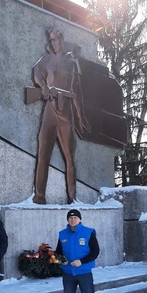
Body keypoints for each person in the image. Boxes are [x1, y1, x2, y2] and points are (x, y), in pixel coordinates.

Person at [32, 27, 90, 205]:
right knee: (43, 155)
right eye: (50, 40)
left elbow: (77, 92)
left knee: (69, 158)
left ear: (62, 40)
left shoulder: (71, 62)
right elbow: (35, 72)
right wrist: (43, 87)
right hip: (50, 111)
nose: (52, 42)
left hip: (65, 114)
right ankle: (39, 196)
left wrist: (80, 117)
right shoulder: (47, 59)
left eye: (55, 39)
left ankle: (72, 198)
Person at [55, 209, 100, 293]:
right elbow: (58, 252)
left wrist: (82, 261)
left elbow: (95, 252)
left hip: (84, 272)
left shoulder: (88, 232)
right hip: (68, 274)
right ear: (67, 220)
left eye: (75, 217)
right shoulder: (62, 234)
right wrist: (61, 260)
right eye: (70, 218)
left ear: (80, 219)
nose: (73, 220)